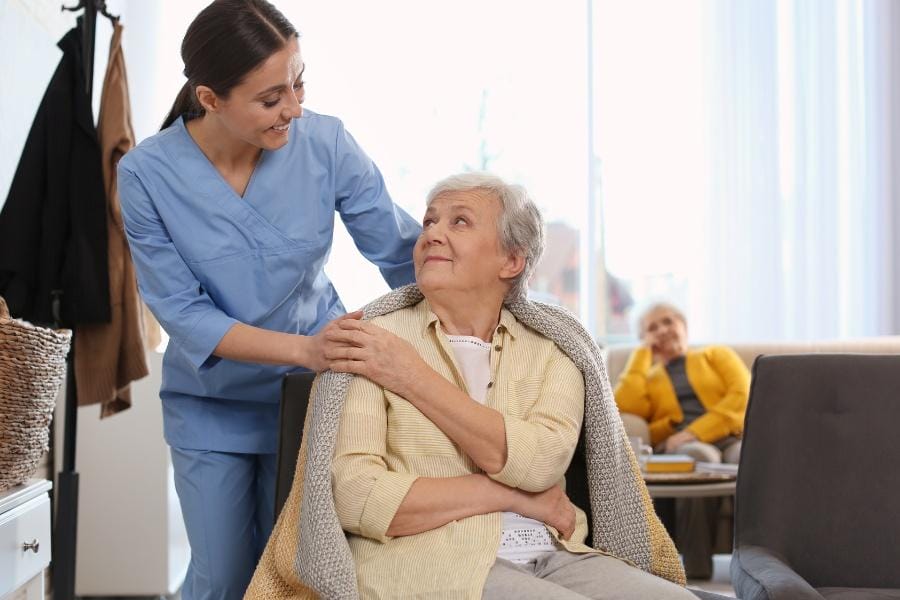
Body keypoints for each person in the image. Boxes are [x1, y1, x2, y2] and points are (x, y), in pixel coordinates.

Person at [116, 1, 420, 598]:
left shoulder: (326, 143)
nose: (295, 109)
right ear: (210, 99)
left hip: (314, 400)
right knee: (225, 577)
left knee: (299, 574)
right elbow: (181, 309)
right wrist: (305, 350)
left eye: (299, 82)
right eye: (271, 97)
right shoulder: (146, 174)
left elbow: (399, 250)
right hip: (212, 405)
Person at [320, 173, 694, 599]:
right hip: (432, 561)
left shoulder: (556, 347)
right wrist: (515, 498)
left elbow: (540, 464)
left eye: (459, 222)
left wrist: (411, 375)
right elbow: (355, 495)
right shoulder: (374, 341)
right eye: (429, 222)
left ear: (511, 261)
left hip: (556, 553)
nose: (432, 234)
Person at [614, 302, 750, 578]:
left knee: (748, 457)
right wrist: (642, 353)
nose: (663, 330)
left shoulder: (716, 355)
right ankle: (697, 572)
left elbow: (742, 395)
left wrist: (695, 432)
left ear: (683, 326)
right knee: (700, 457)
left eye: (668, 322)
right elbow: (623, 404)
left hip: (731, 436)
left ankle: (754, 564)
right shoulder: (649, 378)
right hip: (686, 448)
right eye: (652, 328)